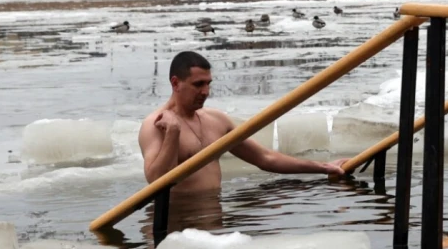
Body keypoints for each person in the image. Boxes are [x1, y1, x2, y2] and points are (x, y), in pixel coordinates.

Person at [139, 51, 347, 194]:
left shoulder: (216, 120)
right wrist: (173, 133)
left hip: (213, 219)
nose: (206, 92)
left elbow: (265, 158)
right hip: (176, 226)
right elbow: (156, 181)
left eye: (208, 84)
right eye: (198, 84)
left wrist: (323, 167)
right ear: (176, 83)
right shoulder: (156, 125)